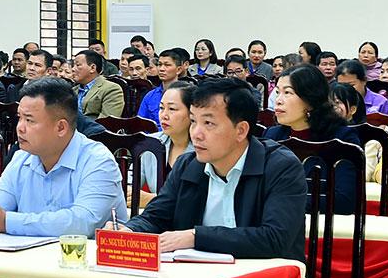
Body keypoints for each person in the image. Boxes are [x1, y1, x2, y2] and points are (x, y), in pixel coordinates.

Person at [115, 77, 307, 259]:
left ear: (241, 130)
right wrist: (130, 231)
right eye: (193, 121)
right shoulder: (187, 164)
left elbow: (275, 238)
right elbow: (156, 217)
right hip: (199, 274)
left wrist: (196, 237)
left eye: (208, 123)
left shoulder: (281, 167)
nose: (196, 134)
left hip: (264, 276)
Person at [0, 78, 126, 237]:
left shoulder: (98, 161)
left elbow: (82, 223)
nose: (20, 128)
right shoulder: (21, 158)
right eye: (19, 118)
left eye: (29, 120)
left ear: (61, 127)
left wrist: (6, 222)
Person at [266, 65, 363, 214]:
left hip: (324, 223)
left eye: (288, 92)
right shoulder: (272, 136)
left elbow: (345, 200)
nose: (278, 100)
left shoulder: (342, 139)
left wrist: (285, 202)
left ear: (310, 99)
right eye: (277, 92)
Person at [140, 81, 196, 195]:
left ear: (192, 113)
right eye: (161, 108)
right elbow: (131, 181)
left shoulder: (204, 150)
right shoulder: (149, 143)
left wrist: (153, 199)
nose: (164, 115)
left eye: (172, 109)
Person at [137, 48, 190, 124]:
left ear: (178, 70)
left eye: (167, 65)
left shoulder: (186, 94)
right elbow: (140, 123)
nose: (161, 69)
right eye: (159, 65)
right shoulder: (150, 95)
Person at [71, 50, 124, 119]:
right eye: (73, 65)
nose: (73, 69)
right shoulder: (72, 90)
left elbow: (107, 121)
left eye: (78, 65)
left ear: (92, 68)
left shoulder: (112, 89)